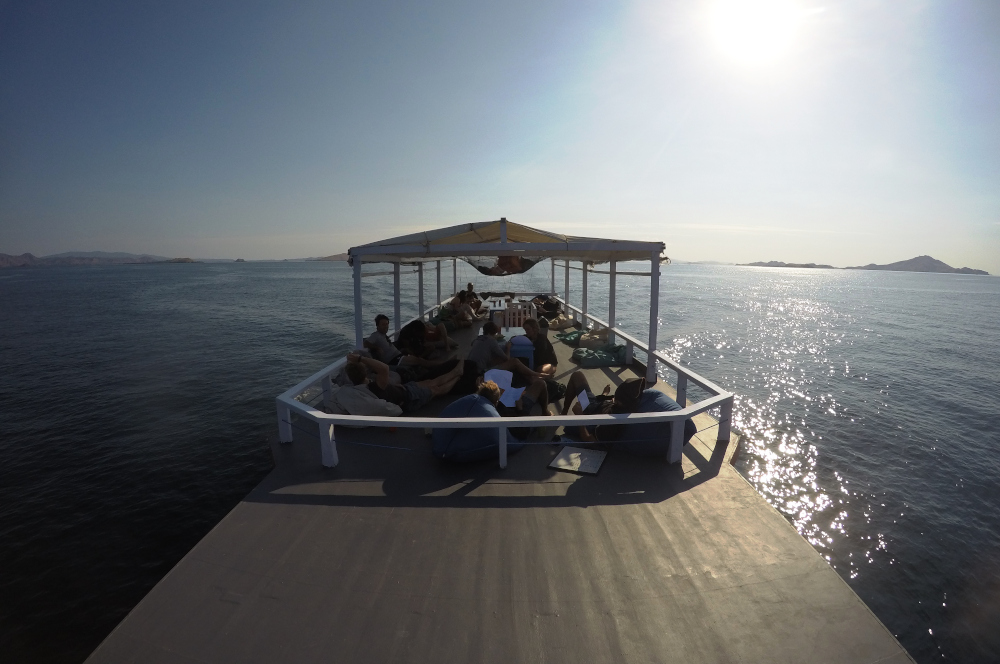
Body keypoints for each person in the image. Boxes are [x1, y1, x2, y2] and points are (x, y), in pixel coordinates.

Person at [560, 372, 697, 452]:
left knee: (577, 376)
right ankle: (566, 412)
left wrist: (580, 417)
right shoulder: (633, 405)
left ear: (619, 401)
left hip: (589, 408)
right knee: (581, 380)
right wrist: (605, 395)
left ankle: (563, 415)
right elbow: (615, 403)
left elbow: (589, 441)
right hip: (601, 403)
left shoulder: (613, 423)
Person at [431, 381, 526, 462]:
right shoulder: (489, 412)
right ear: (496, 401)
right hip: (451, 453)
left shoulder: (468, 400)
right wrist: (520, 410)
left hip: (441, 448)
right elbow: (507, 441)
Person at [345, 352, 463, 413]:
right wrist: (361, 358)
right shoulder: (374, 386)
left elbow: (387, 390)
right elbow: (384, 368)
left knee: (429, 381)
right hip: (409, 398)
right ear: (365, 371)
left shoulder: (363, 387)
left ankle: (456, 372)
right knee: (436, 389)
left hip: (404, 389)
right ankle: (457, 375)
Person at [467, 321, 543, 381]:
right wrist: (508, 348)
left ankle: (529, 375)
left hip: (471, 370)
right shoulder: (491, 341)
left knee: (498, 359)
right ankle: (535, 374)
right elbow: (506, 358)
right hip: (482, 373)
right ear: (492, 333)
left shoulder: (477, 339)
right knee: (514, 361)